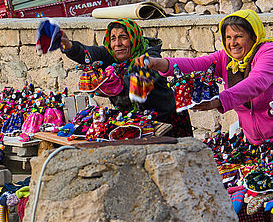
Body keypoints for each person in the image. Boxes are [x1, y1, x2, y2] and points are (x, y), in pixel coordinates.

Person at [138, 9, 273, 146]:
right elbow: (195, 64)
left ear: (254, 36)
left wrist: (220, 100)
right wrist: (157, 63)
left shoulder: (268, 52)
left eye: (239, 36)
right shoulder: (226, 58)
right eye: (228, 37)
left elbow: (257, 82)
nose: (232, 43)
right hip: (255, 142)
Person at [59, 18, 193, 137]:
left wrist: (112, 86)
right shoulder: (112, 55)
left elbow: (136, 81)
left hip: (166, 123)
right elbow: (90, 53)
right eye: (113, 39)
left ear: (133, 39)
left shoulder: (150, 57)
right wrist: (69, 46)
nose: (117, 43)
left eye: (123, 37)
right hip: (135, 122)